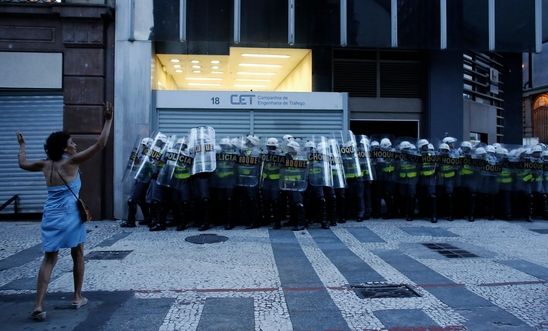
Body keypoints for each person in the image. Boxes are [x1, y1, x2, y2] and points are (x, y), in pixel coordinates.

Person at [17, 103, 113, 321]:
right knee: (77, 252)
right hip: (70, 215)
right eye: (72, 143)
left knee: (49, 257)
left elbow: (23, 163)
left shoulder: (44, 165)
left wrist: (22, 145)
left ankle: (38, 305)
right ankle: (77, 297)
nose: (75, 145)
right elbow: (100, 145)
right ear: (64, 148)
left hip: (51, 214)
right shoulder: (71, 162)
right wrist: (107, 120)